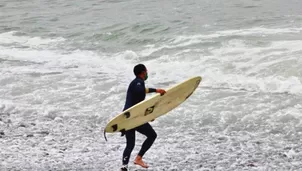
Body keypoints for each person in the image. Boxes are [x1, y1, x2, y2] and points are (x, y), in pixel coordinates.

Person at [120, 64, 166, 171]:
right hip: (134, 117)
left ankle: (124, 166)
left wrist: (156, 90)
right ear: (143, 72)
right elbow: (140, 90)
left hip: (127, 117)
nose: (147, 73)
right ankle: (139, 158)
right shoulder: (138, 83)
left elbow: (143, 91)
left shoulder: (136, 83)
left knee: (130, 144)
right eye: (146, 71)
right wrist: (150, 113)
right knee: (152, 135)